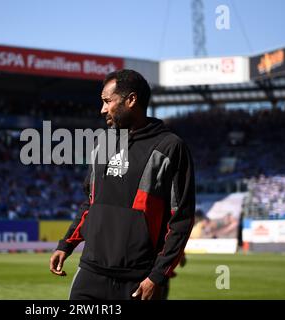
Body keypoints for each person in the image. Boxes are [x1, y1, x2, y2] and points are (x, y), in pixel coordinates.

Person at [49, 69, 196, 300]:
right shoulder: (102, 142)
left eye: (108, 101)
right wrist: (65, 245)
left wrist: (157, 276)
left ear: (131, 100)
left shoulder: (171, 147)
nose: (103, 109)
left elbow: (182, 221)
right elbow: (90, 204)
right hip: (90, 273)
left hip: (139, 279)